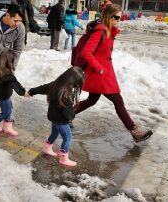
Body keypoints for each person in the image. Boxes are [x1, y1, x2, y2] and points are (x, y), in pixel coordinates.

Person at [74, 4, 153, 142]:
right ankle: (134, 131)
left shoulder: (108, 31)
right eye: (116, 17)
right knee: (118, 100)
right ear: (108, 16)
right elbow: (87, 52)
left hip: (104, 72)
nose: (119, 20)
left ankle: (66, 115)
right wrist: (99, 68)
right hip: (100, 74)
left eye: (120, 17)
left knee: (92, 100)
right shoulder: (100, 31)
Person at [28, 67, 84, 167]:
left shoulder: (54, 84)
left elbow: (42, 88)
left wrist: (31, 91)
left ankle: (47, 148)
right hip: (61, 121)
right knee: (67, 137)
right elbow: (68, 113)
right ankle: (63, 159)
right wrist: (71, 117)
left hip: (52, 116)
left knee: (54, 133)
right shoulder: (67, 93)